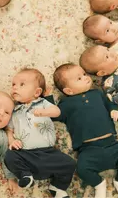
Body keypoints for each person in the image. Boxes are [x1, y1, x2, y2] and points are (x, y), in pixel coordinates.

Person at [53, 63, 118, 198]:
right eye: (79, 78)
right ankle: (99, 184)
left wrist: (114, 109)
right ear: (69, 91)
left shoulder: (97, 93)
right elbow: (55, 114)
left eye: (84, 74)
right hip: (88, 149)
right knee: (82, 169)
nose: (85, 78)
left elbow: (109, 103)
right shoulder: (65, 105)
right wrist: (46, 99)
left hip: (111, 144)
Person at [4, 68, 76, 198]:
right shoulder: (14, 110)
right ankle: (24, 175)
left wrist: (45, 112)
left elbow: (57, 112)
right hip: (26, 155)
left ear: (37, 92)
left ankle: (57, 187)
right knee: (9, 156)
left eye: (21, 84)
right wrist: (12, 141)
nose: (15, 88)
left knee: (69, 164)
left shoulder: (42, 103)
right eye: (13, 84)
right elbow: (9, 130)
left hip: (48, 153)